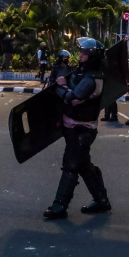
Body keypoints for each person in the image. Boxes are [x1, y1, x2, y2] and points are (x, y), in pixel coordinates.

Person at [44, 38, 111, 220]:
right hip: (73, 125)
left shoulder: (92, 78)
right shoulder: (82, 73)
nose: (80, 55)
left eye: (84, 53)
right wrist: (63, 88)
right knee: (83, 165)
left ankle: (59, 206)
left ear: (92, 56)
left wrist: (62, 87)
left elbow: (72, 98)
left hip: (82, 128)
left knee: (71, 164)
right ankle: (101, 200)